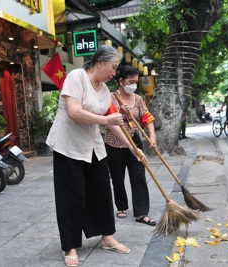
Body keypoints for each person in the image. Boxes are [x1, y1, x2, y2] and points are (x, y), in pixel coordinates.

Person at [45, 46, 146, 267]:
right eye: (113, 67)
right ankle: (70, 245)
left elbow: (114, 121)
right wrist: (106, 122)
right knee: (72, 196)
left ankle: (107, 236)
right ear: (99, 62)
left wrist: (132, 148)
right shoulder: (77, 77)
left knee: (102, 190)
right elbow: (74, 111)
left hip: (93, 147)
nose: (114, 73)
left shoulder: (103, 90)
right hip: (68, 146)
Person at [104, 65, 157, 226]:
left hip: (135, 142)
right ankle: (121, 206)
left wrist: (152, 135)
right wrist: (120, 112)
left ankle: (141, 213)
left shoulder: (138, 99)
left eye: (135, 82)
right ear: (121, 81)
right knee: (118, 178)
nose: (133, 85)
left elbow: (147, 117)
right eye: (131, 81)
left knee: (139, 175)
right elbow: (109, 120)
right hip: (114, 144)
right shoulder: (111, 98)